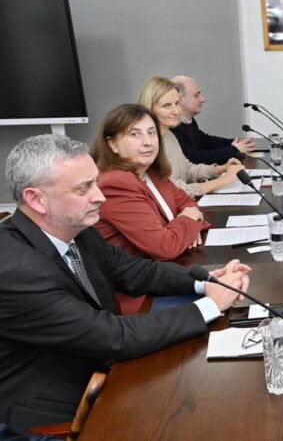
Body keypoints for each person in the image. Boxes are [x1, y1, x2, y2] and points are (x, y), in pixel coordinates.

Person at [0, 134, 249, 437]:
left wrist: (207, 281)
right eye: (83, 188)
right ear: (36, 199)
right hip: (50, 413)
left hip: (100, 369)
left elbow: (135, 271)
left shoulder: (75, 228)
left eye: (95, 183)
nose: (99, 196)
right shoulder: (15, 271)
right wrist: (211, 305)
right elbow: (112, 336)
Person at [93, 103, 210, 261]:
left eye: (152, 132)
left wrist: (189, 227)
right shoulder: (116, 183)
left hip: (167, 265)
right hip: (135, 274)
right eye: (135, 134)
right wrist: (188, 222)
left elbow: (187, 202)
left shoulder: (152, 173)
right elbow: (165, 247)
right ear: (113, 144)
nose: (147, 142)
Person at [137, 76, 244, 197]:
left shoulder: (169, 135)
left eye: (177, 103)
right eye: (166, 105)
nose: (176, 111)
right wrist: (224, 180)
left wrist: (220, 169)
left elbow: (187, 169)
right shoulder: (148, 145)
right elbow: (173, 190)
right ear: (150, 108)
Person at [170, 75, 256, 165]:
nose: (202, 100)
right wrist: (234, 149)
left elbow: (206, 141)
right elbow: (194, 158)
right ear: (180, 99)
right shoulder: (172, 127)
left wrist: (237, 142)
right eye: (196, 95)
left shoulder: (188, 121)